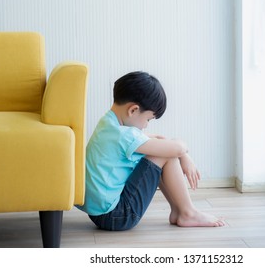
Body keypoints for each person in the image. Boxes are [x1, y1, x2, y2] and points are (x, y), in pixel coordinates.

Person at [76, 71, 225, 231]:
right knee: (164, 154)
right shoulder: (124, 135)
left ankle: (178, 211)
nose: (146, 125)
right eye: (148, 119)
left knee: (161, 150)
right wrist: (184, 154)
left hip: (99, 212)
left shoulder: (108, 124)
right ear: (133, 110)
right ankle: (187, 212)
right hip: (116, 216)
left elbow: (159, 140)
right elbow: (176, 148)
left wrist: (180, 152)